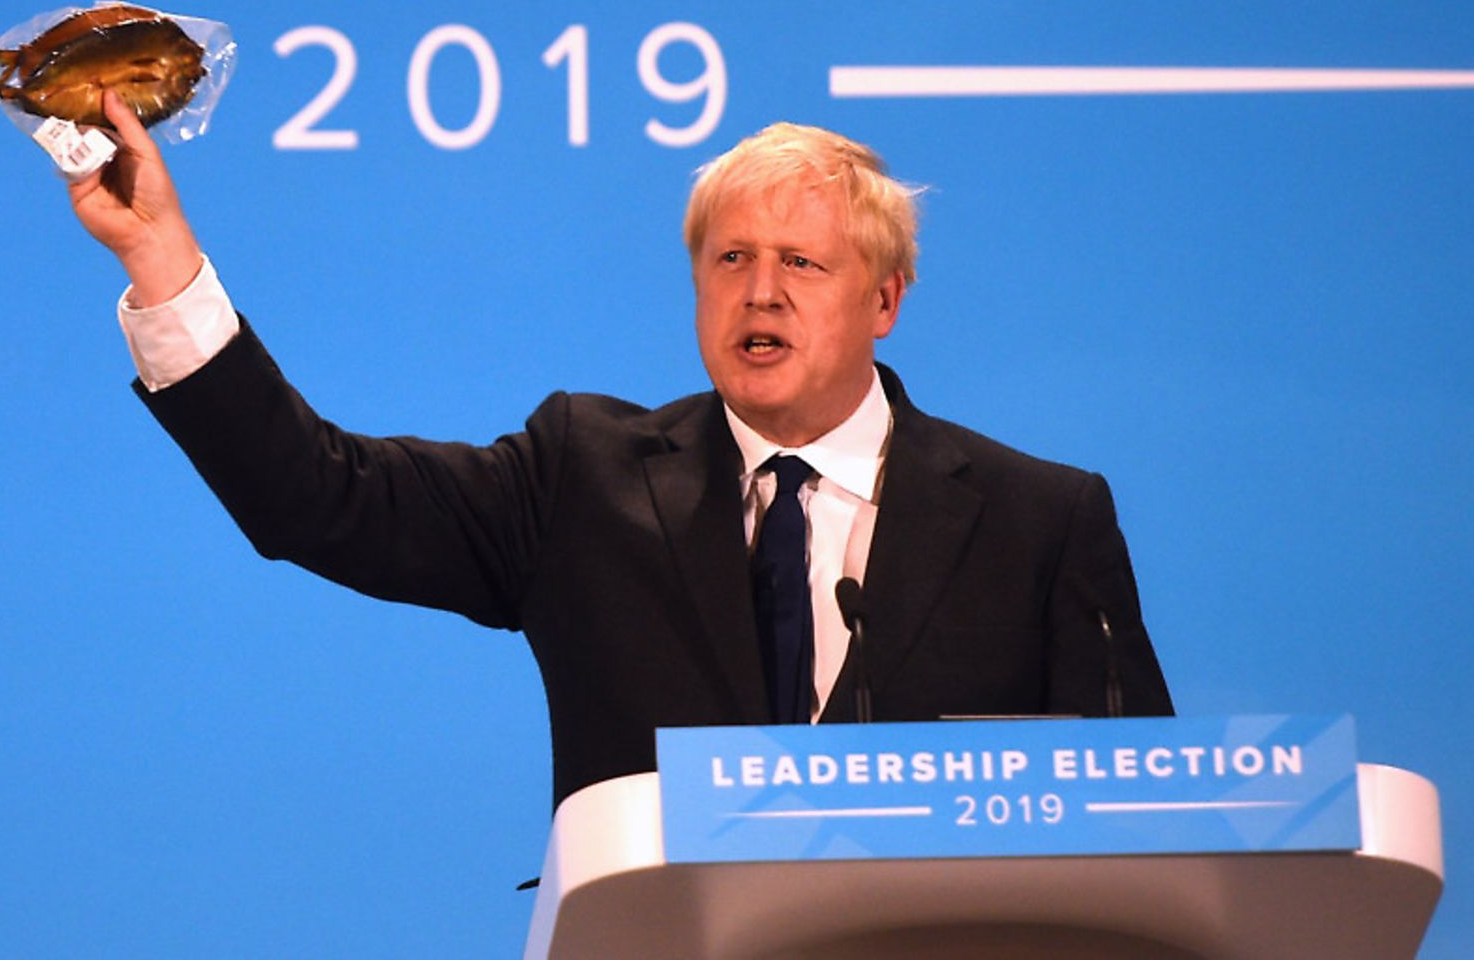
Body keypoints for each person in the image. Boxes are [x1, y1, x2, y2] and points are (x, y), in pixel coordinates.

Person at [66, 91, 1173, 810]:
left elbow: (1147, 816)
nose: (761, 291)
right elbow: (316, 497)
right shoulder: (582, 477)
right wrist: (163, 260)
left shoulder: (1039, 520)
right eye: (731, 257)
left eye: (803, 262)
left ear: (886, 299)